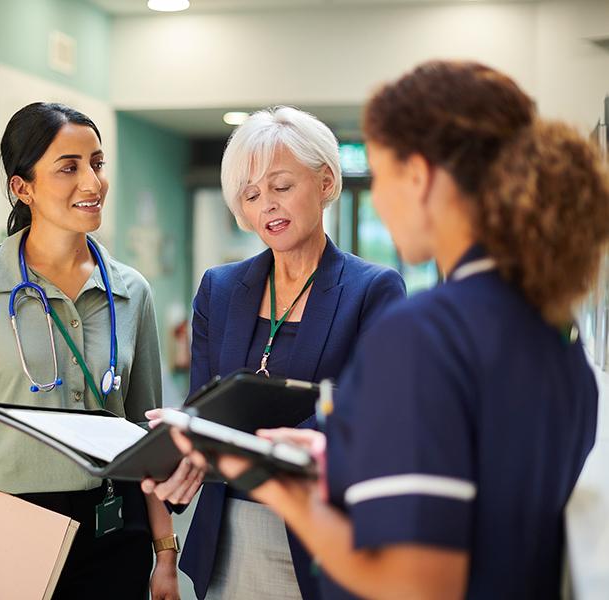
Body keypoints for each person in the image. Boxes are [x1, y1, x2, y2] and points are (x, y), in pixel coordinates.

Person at [170, 60, 609, 599]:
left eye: (380, 175)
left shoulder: (429, 335)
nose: (376, 199)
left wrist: (273, 481)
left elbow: (416, 583)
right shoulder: (557, 332)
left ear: (418, 175)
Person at [0, 102, 180, 600]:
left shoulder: (131, 291)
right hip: (11, 525)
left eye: (97, 164)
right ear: (23, 187)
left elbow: (146, 435)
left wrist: (165, 552)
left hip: (115, 526)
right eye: (68, 168)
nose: (92, 183)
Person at [142, 106, 405, 600]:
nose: (268, 206)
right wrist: (182, 444)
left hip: (321, 529)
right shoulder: (219, 289)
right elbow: (204, 406)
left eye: (281, 186)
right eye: (251, 195)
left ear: (325, 182)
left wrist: (246, 448)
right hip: (225, 535)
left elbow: (368, 410)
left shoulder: (373, 290)